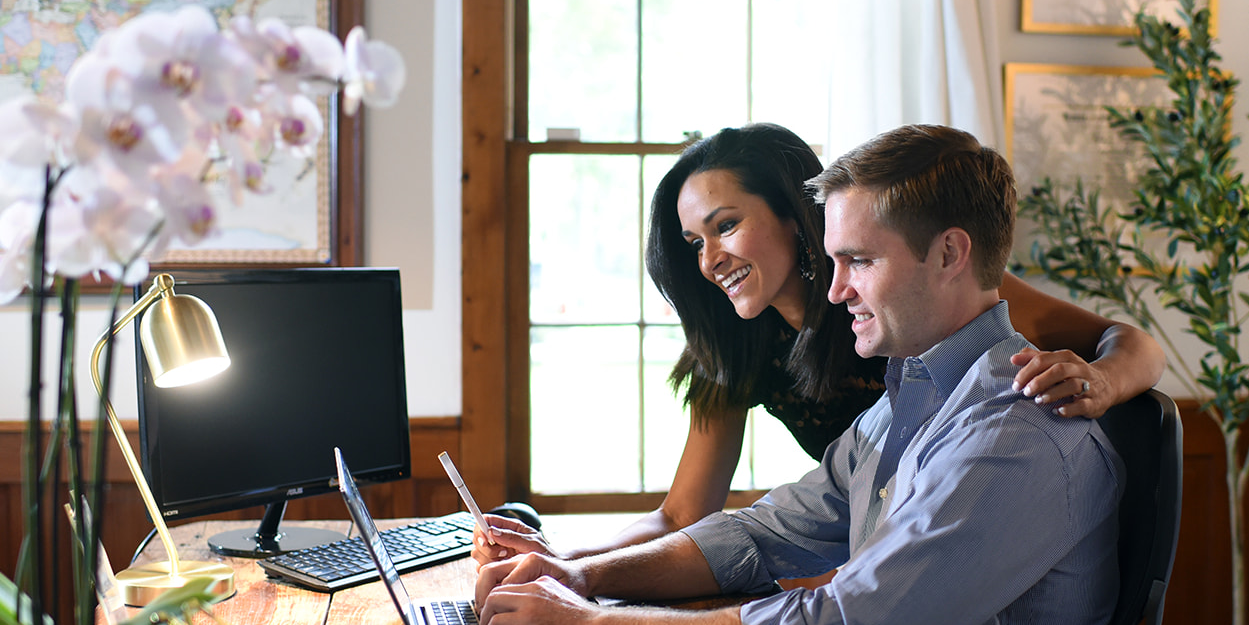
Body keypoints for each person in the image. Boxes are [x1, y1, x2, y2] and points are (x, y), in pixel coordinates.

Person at [475, 124, 1123, 625]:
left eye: (860, 262)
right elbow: (763, 532)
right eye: (835, 261)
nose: (836, 289)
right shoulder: (918, 391)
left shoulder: (1011, 431)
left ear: (949, 254)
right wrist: (583, 576)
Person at [477, 122, 1160, 564]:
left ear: (793, 215)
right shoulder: (738, 349)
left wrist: (1104, 380)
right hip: (868, 554)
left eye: (726, 226)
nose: (708, 258)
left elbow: (1134, 344)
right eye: (693, 244)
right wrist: (563, 561)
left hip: (965, 554)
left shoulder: (915, 297)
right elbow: (684, 515)